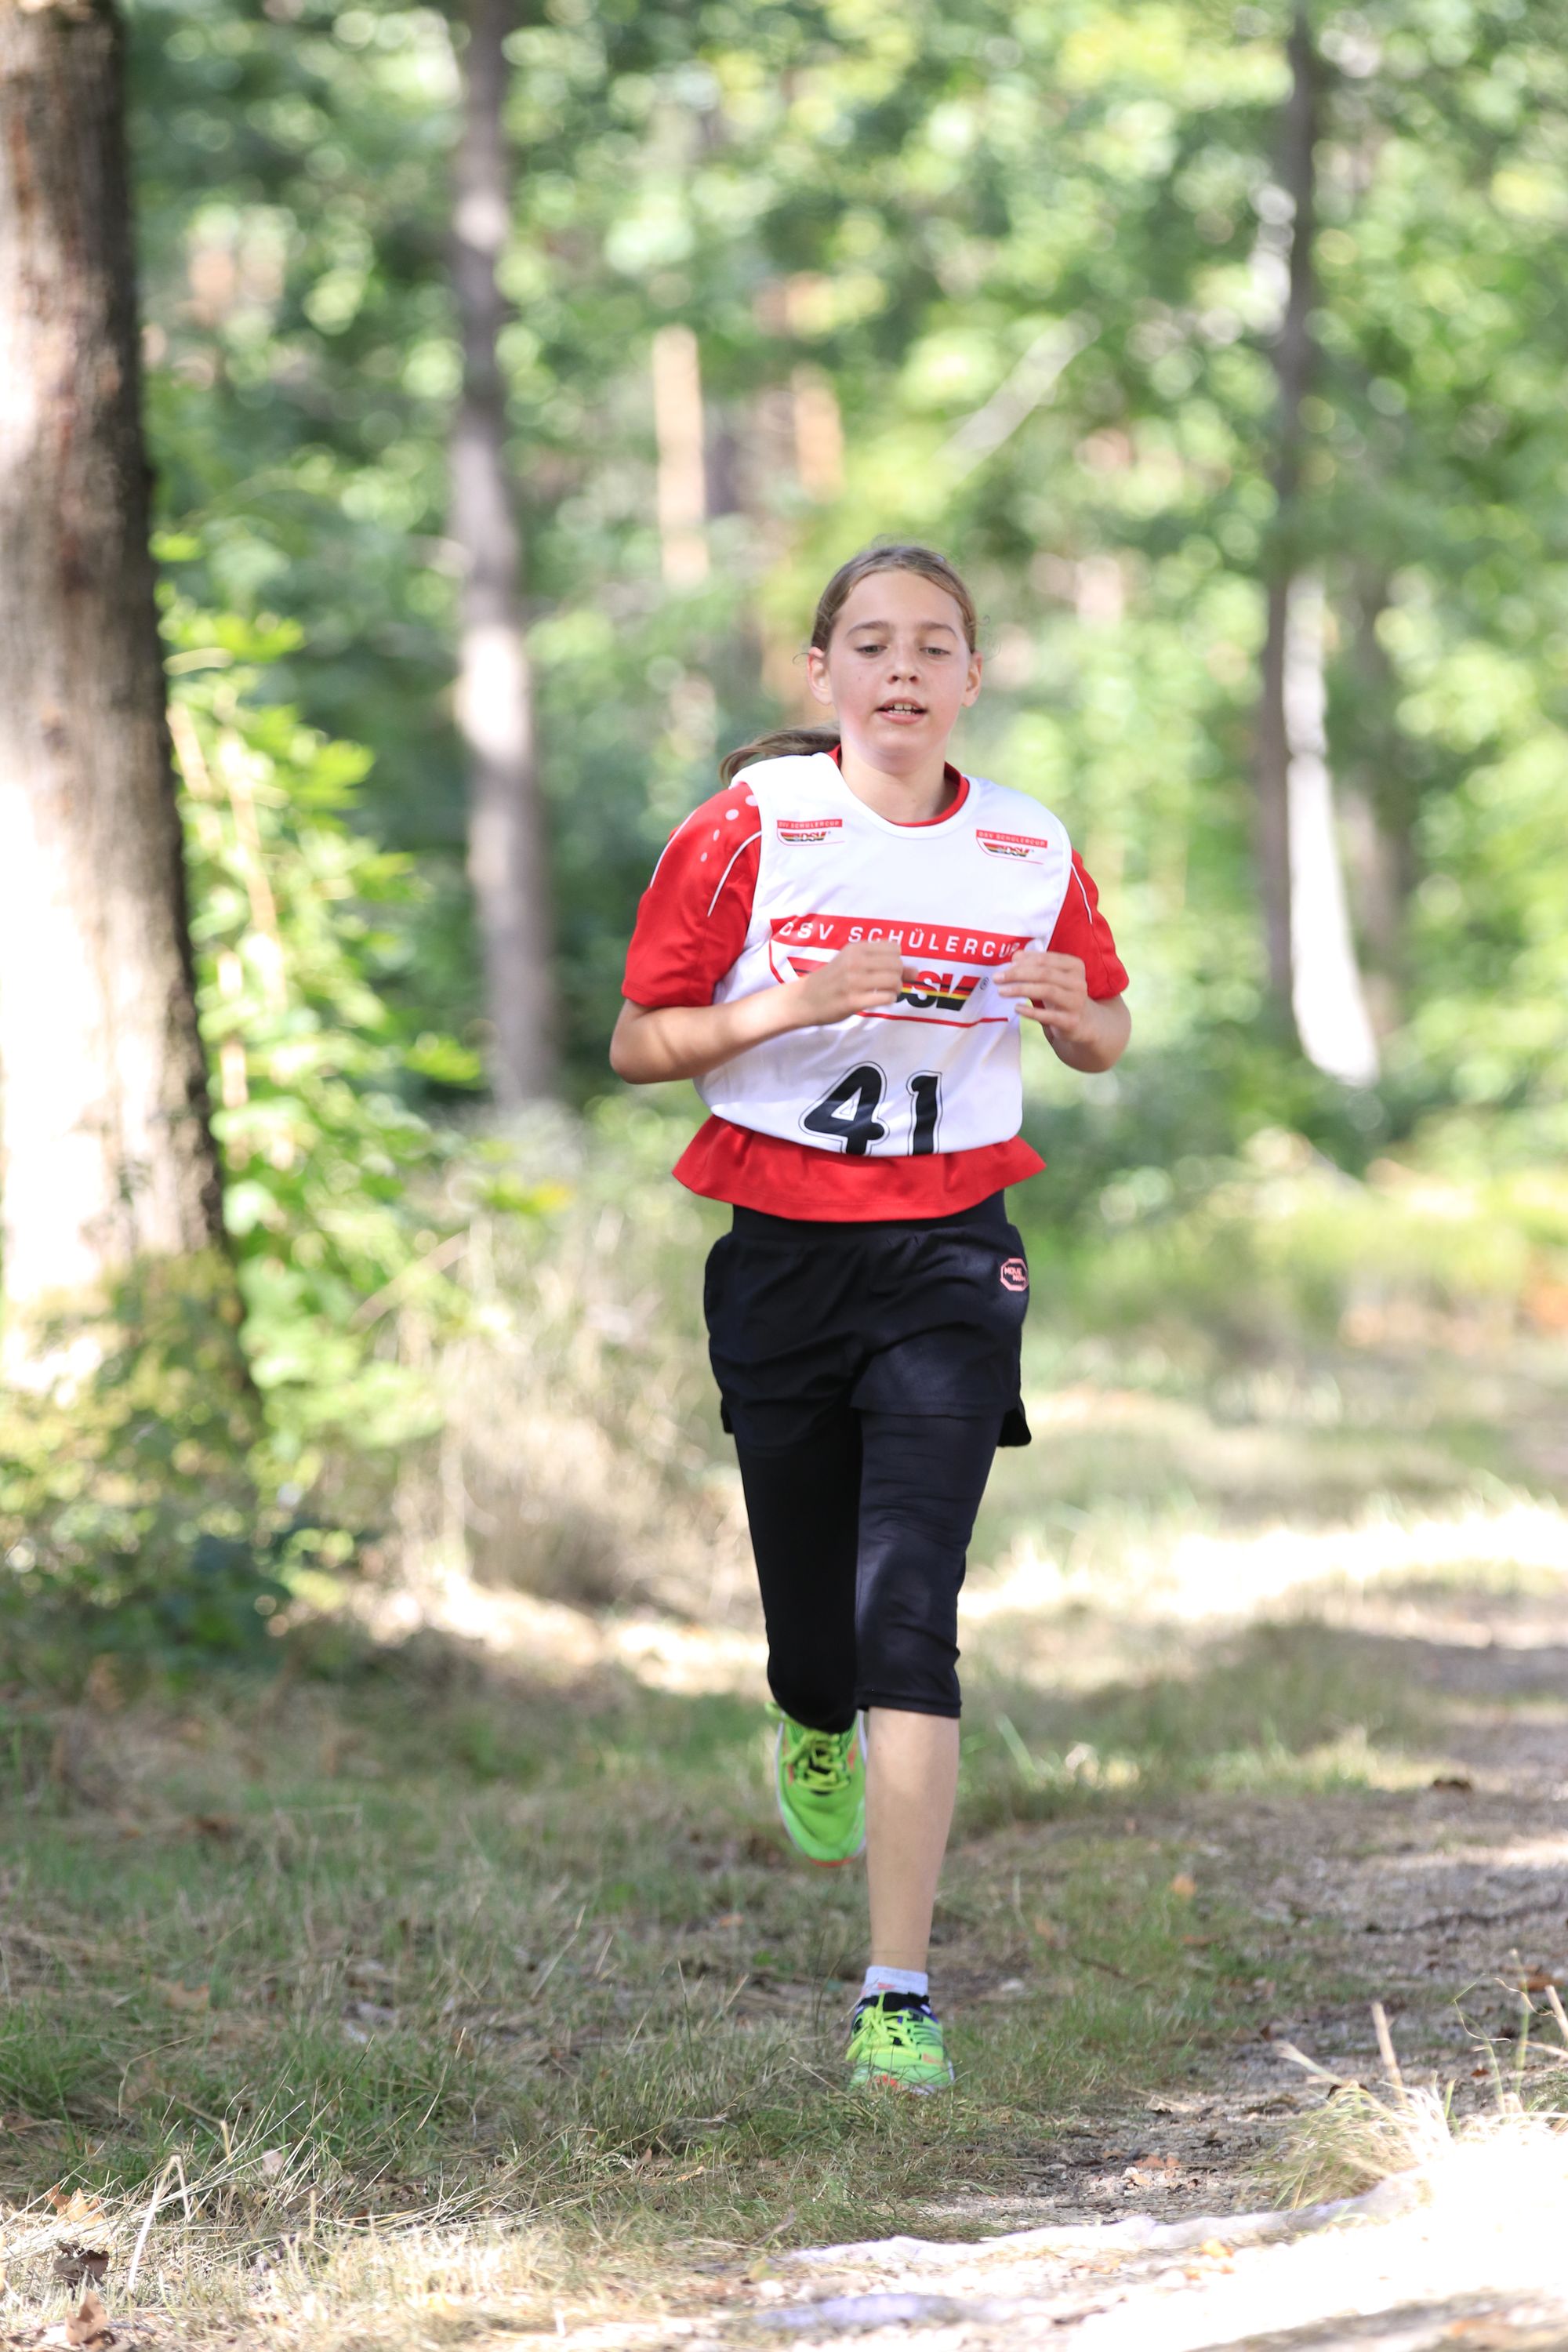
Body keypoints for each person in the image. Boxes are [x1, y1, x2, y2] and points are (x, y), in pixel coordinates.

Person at [610, 543, 1130, 2092]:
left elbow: (1106, 1022)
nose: (903, 668)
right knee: (814, 1627)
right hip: (782, 1251)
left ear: (972, 676)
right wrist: (794, 1000)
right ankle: (808, 1712)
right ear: (823, 672)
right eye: (874, 642)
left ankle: (896, 1993)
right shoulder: (748, 829)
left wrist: (1077, 1019)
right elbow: (637, 1040)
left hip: (952, 1253)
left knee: (911, 1601)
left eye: (934, 644)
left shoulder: (1026, 843)